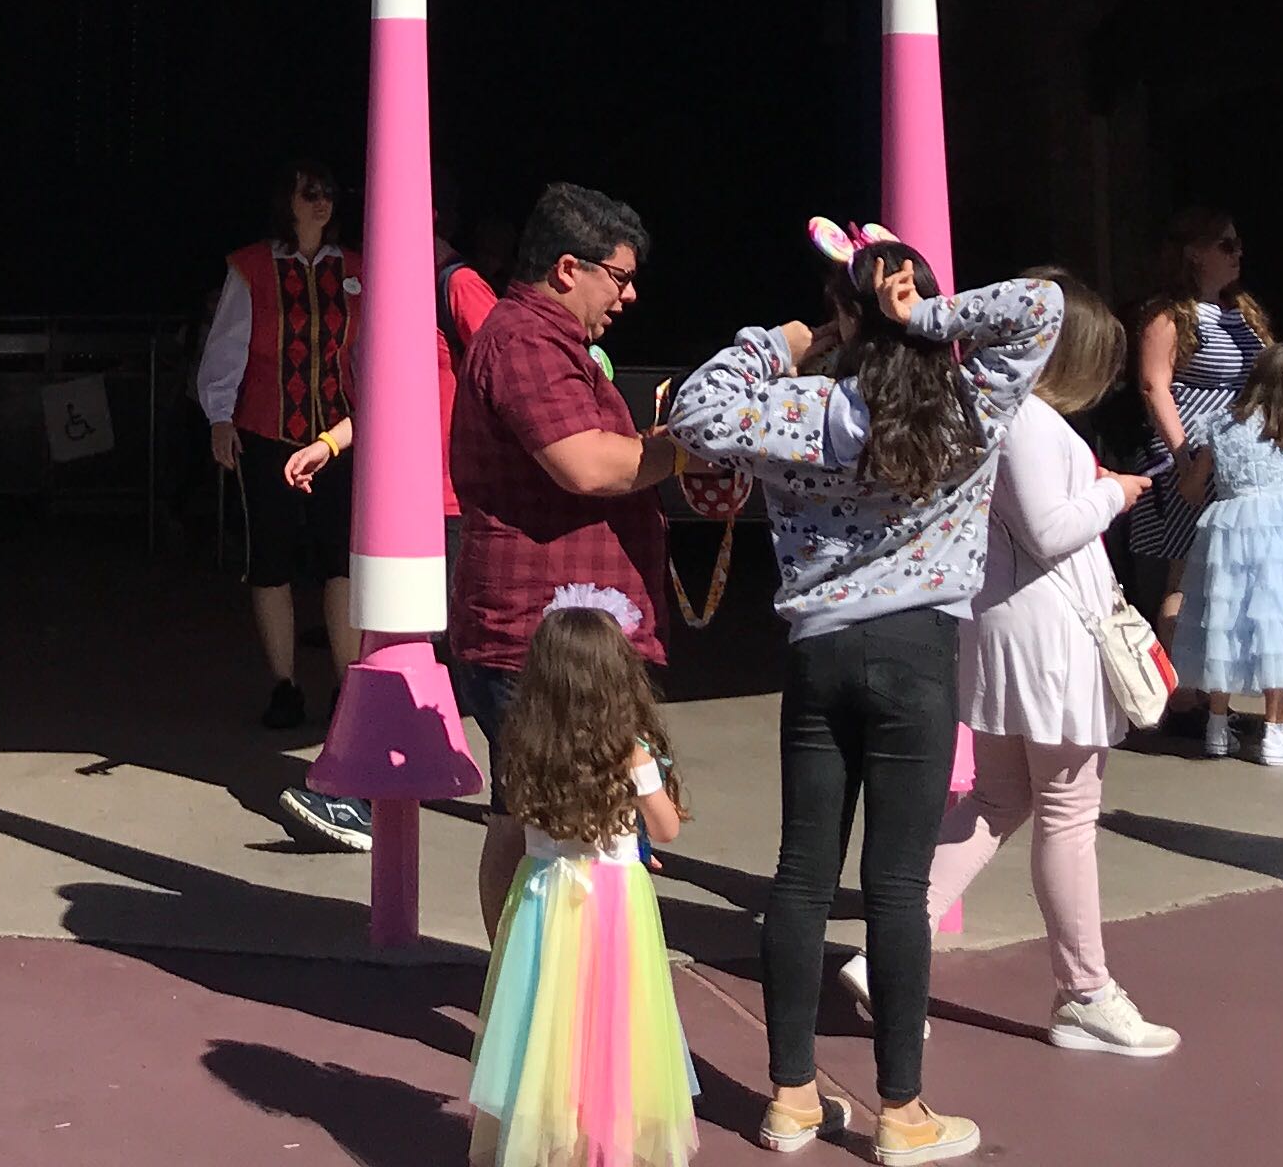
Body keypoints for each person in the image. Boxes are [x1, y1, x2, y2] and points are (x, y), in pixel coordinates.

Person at [668, 233, 1059, 1163]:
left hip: (819, 654)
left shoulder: (806, 410)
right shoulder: (969, 404)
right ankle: (901, 1111)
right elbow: (1043, 308)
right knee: (894, 885)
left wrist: (789, 338)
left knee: (800, 877)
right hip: (919, 655)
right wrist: (923, 312)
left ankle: (792, 1098)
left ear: (845, 315)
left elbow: (693, 410)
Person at [892, 272, 1178, 1057]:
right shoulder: (1031, 419)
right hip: (1052, 636)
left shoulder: (981, 410)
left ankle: (896, 945)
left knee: (996, 797)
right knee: (1067, 810)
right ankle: (1085, 990)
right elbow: (1053, 529)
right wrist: (1116, 492)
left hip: (1002, 628)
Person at [449, 182, 688, 936]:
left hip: (549, 635)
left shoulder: (547, 344)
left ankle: (529, 1001)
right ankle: (546, 998)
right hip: (539, 640)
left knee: (523, 818)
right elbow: (589, 466)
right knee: (562, 833)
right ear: (566, 269)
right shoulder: (526, 343)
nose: (628, 294)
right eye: (617, 277)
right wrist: (684, 448)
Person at [273, 194, 493, 851]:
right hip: (401, 511)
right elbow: (392, 401)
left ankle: (363, 793)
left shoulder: (459, 288)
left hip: (451, 509)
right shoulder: (391, 295)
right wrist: (332, 442)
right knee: (444, 660)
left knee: (450, 661)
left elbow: (512, 379)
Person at [460, 597, 700, 1167]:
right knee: (612, 1030)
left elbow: (521, 822)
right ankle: (601, 1145)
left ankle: (547, 1144)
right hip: (614, 904)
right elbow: (665, 830)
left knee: (543, 1027)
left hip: (543, 896)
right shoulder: (628, 751)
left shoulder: (524, 746)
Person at [196, 165, 359, 731]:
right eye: (309, 194)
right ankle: (285, 685)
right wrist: (220, 416)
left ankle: (349, 687)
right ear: (284, 202)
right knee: (271, 562)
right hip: (266, 433)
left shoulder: (355, 268)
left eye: (328, 193)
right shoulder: (253, 267)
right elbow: (227, 346)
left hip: (337, 437)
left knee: (342, 559)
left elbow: (365, 354)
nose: (322, 204)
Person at [1165, 344, 1283, 764]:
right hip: (1281, 535)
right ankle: (1275, 732)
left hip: (1230, 532)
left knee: (1223, 620)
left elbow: (1192, 488)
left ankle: (1216, 729)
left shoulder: (1219, 423)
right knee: (1279, 622)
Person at [1113, 206, 1267, 645]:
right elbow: (1153, 385)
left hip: (1240, 460)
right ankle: (1182, 698)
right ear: (1194, 253)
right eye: (1225, 244)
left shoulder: (1243, 312)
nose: (1237, 253)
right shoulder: (1170, 315)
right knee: (1186, 572)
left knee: (1233, 575)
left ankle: (1216, 696)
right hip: (1191, 455)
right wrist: (1182, 457)